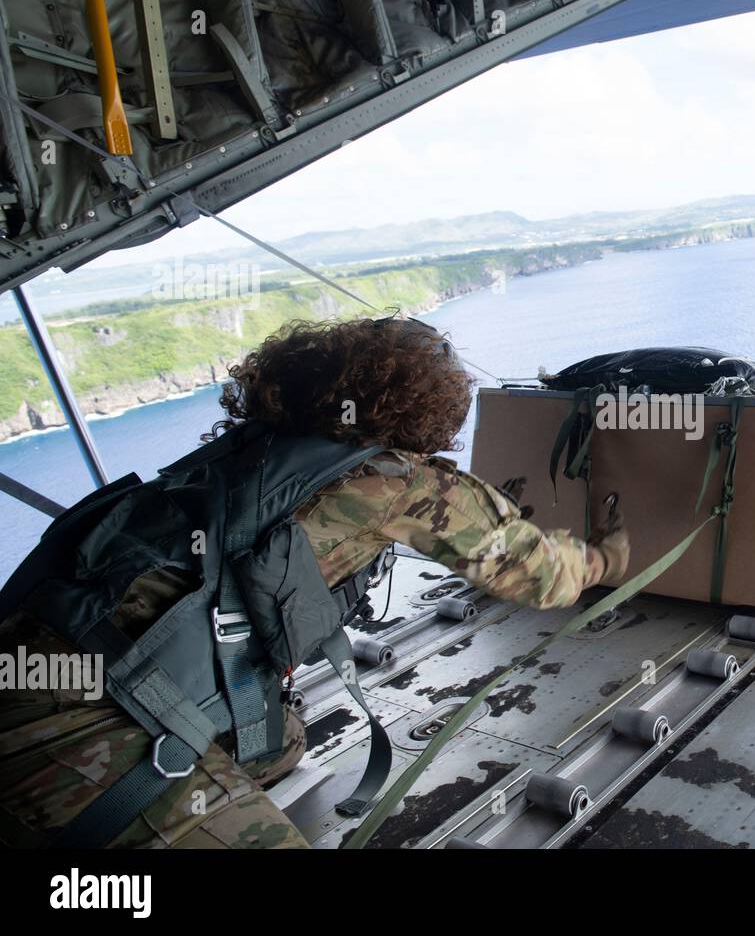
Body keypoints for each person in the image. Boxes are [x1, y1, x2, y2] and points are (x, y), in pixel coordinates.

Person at [0, 316, 629, 848]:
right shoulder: (397, 481)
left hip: (34, 657)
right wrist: (607, 555)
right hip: (79, 725)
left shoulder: (242, 452)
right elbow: (545, 578)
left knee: (285, 741)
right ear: (428, 409)